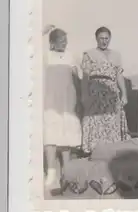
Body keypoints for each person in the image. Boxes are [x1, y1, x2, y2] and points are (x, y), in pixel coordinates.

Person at [43, 27, 82, 188]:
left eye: (65, 41)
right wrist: (42, 31)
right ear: (52, 42)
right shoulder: (46, 56)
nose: (63, 44)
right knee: (50, 135)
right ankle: (51, 172)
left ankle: (67, 172)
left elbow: (76, 78)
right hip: (51, 100)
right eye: (60, 41)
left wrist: (79, 97)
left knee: (67, 136)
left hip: (67, 99)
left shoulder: (70, 56)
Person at [81, 27, 130, 153]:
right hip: (95, 90)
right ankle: (95, 149)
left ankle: (112, 149)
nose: (104, 41)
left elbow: (119, 75)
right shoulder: (89, 54)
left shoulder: (116, 55)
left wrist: (124, 94)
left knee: (112, 119)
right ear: (96, 39)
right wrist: (84, 94)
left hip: (111, 90)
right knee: (96, 120)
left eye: (106, 38)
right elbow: (85, 76)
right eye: (101, 38)